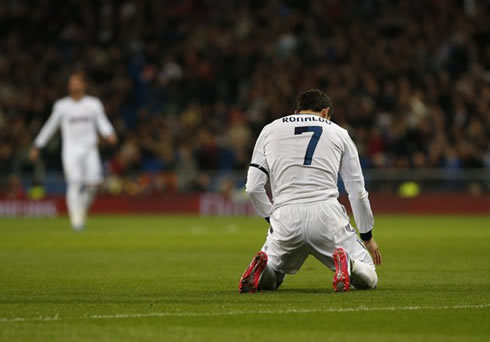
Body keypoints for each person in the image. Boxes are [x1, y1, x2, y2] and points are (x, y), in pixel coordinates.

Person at [239, 89, 381, 293]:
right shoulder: (339, 133)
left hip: (285, 214)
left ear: (297, 112)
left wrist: (272, 218)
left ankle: (263, 268)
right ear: (325, 112)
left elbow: (252, 187)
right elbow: (357, 191)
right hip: (326, 214)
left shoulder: (270, 130)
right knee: (369, 276)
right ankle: (349, 264)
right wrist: (367, 235)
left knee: (274, 273)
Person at [30, 71, 117, 230]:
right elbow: (50, 126)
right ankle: (76, 221)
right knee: (74, 182)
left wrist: (109, 132)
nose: (73, 85)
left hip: (90, 148)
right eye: (71, 82)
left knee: (93, 184)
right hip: (71, 149)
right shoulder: (62, 106)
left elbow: (101, 121)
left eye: (76, 82)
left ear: (84, 85)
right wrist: (38, 145)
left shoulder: (93, 104)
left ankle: (80, 211)